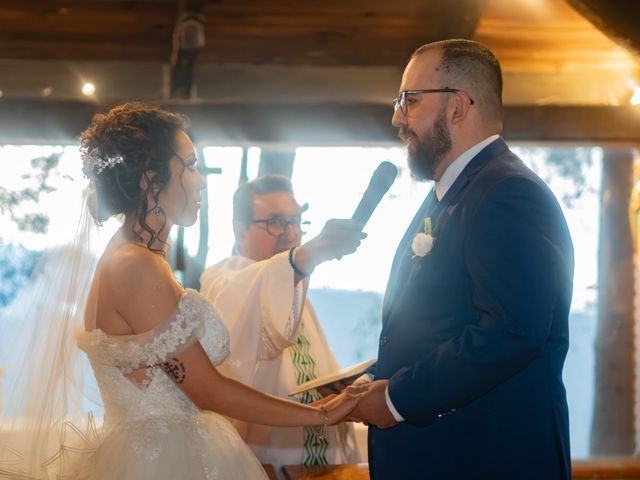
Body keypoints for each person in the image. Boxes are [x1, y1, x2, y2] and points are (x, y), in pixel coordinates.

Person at [0, 103, 362, 480]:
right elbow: (210, 392)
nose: (201, 180)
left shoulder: (132, 258)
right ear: (149, 179)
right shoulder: (135, 265)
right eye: (189, 166)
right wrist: (322, 413)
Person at [347, 39, 574, 479]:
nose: (396, 117)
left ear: (457, 106)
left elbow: (512, 331)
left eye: (408, 100)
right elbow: (441, 324)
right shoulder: (452, 194)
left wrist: (397, 397)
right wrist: (373, 379)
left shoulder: (508, 193)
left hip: (484, 458)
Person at [200, 175, 364, 473]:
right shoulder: (225, 281)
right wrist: (309, 255)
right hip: (262, 463)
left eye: (295, 221)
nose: (290, 234)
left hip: (320, 462)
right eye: (275, 222)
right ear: (239, 230)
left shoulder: (294, 289)